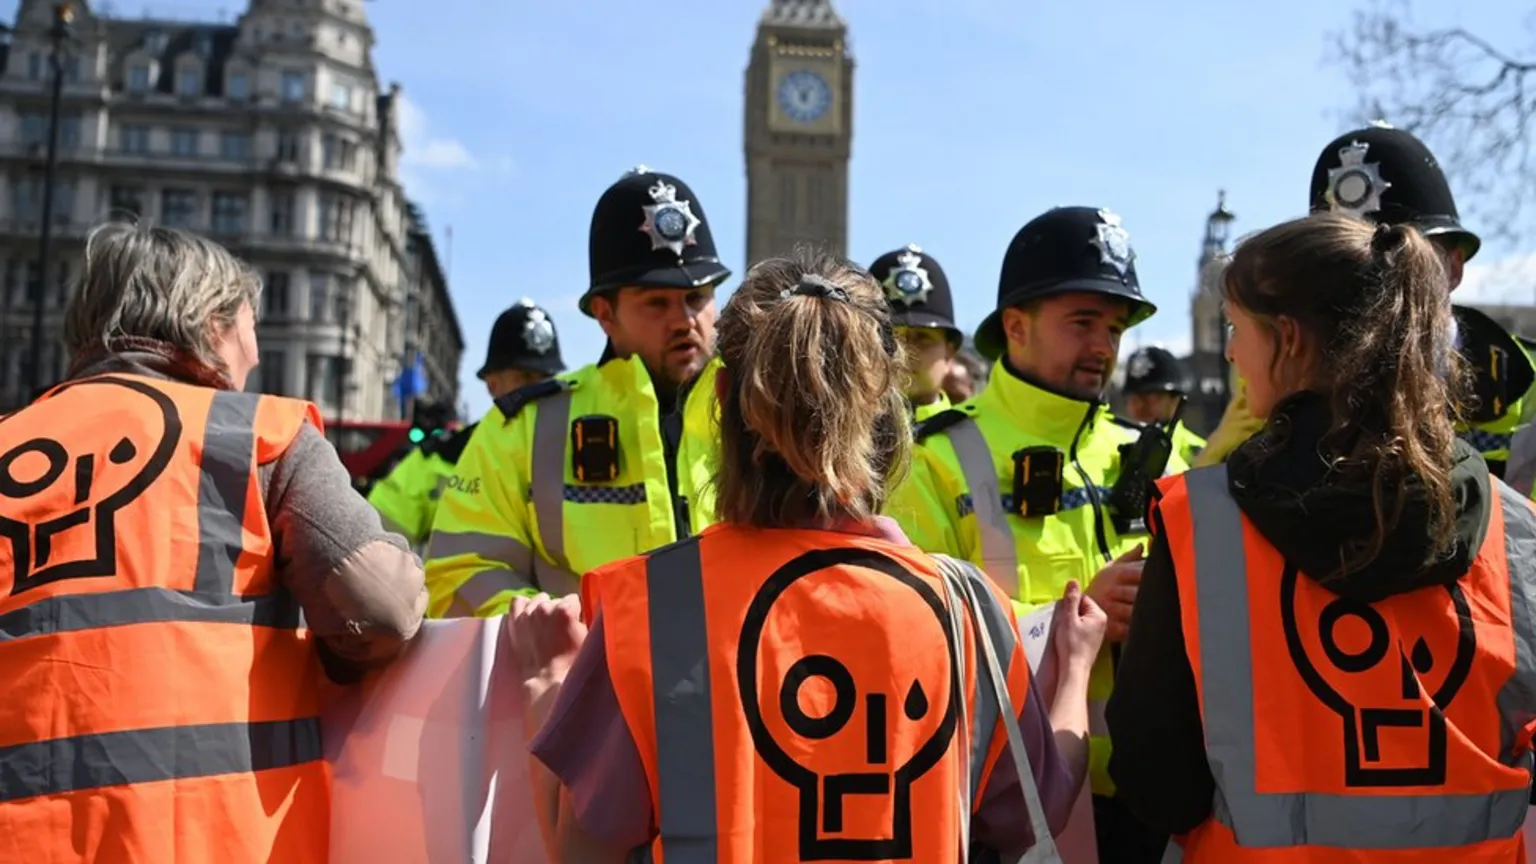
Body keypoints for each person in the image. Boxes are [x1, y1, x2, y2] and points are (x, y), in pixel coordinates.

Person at [510, 250, 1106, 862]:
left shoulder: (647, 609)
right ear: (883, 406)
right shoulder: (968, 611)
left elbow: (579, 851)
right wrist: (1076, 669)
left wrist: (546, 680)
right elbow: (1042, 805)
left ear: (721, 396)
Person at [1107, 213, 1536, 860]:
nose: (1228, 351)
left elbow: (1157, 781)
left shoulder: (1202, 523)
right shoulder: (1516, 528)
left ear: (1287, 339)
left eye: (1235, 327)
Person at [0, 223, 426, 861]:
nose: (252, 359)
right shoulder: (251, 435)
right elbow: (382, 606)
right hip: (208, 841)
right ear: (210, 323)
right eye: (250, 329)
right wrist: (331, 666)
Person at [887, 205, 1187, 862]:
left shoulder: (1162, 455)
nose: (1104, 345)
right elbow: (916, 642)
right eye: (1082, 322)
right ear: (1015, 327)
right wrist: (1071, 621)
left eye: (1113, 326)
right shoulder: (935, 462)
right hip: (1008, 805)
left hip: (1157, 807)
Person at [425, 166, 729, 617]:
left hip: (741, 685)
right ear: (605, 315)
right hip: (586, 684)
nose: (684, 319)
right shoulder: (524, 427)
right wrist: (553, 630)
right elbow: (458, 573)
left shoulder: (761, 410)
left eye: (697, 298)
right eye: (656, 303)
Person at [1308, 123, 1536, 485]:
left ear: (1454, 267)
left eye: (1399, 259)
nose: (1374, 285)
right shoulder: (1285, 386)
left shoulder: (1528, 390)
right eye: (1345, 268)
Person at [370, 298, 567, 546]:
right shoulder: (438, 460)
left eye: (547, 377)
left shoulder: (581, 453)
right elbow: (374, 546)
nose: (538, 389)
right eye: (525, 376)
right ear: (492, 384)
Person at [868, 243, 964, 421]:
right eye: (892, 338)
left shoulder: (982, 439)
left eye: (923, 338)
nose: (906, 352)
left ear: (949, 353)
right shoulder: (836, 442)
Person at [1121, 345, 1207, 465]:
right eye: (1134, 399)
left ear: (1176, 400)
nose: (1140, 407)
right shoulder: (1113, 444)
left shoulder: (1201, 454)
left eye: (1152, 398)